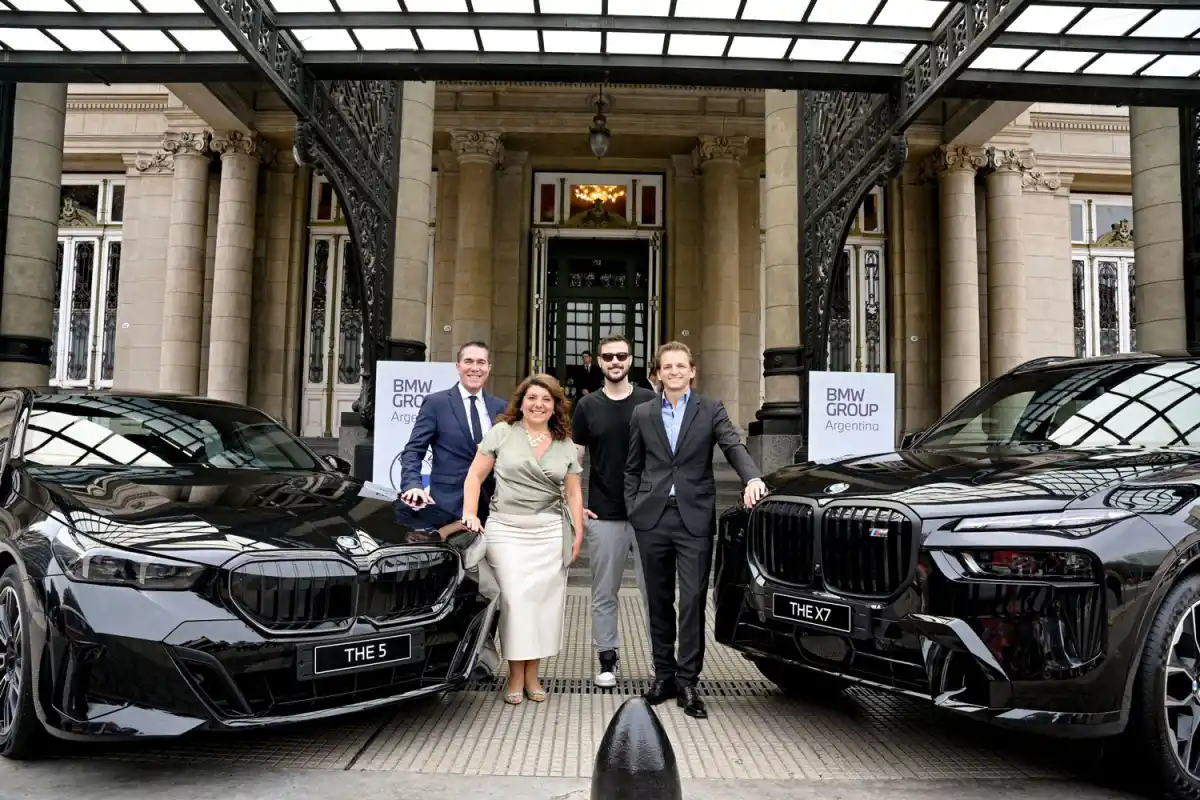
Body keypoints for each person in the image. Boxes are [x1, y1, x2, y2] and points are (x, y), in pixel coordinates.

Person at [624, 341, 768, 719]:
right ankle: (663, 675)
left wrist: (752, 477)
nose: (673, 372)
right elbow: (632, 468)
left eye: (680, 366)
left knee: (691, 601)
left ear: (692, 371)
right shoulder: (642, 413)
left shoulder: (711, 409)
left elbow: (733, 445)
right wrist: (634, 508)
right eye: (666, 367)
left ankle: (688, 682)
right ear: (657, 373)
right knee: (657, 600)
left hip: (694, 520)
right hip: (652, 518)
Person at [461, 374, 585, 706]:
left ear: (555, 406)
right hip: (507, 531)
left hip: (549, 532)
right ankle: (516, 674)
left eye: (546, 400)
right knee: (516, 604)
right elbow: (475, 475)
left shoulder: (564, 443)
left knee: (544, 605)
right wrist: (471, 512)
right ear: (522, 401)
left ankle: (533, 673)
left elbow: (573, 493)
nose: (538, 404)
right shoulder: (502, 433)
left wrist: (577, 534)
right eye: (532, 398)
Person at [571, 334, 656, 688]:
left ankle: (660, 663)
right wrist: (576, 507)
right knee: (604, 592)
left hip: (650, 514)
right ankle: (607, 661)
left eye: (621, 355)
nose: (615, 361)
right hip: (605, 513)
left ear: (631, 359)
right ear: (600, 362)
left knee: (657, 593)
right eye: (608, 357)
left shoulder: (650, 401)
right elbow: (574, 460)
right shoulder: (587, 406)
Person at [397, 341, 507, 520]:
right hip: (448, 505)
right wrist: (412, 485)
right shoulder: (436, 404)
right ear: (458, 367)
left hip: (493, 506)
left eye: (481, 362)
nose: (474, 368)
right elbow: (413, 451)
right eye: (468, 361)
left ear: (489, 368)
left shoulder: (501, 407)